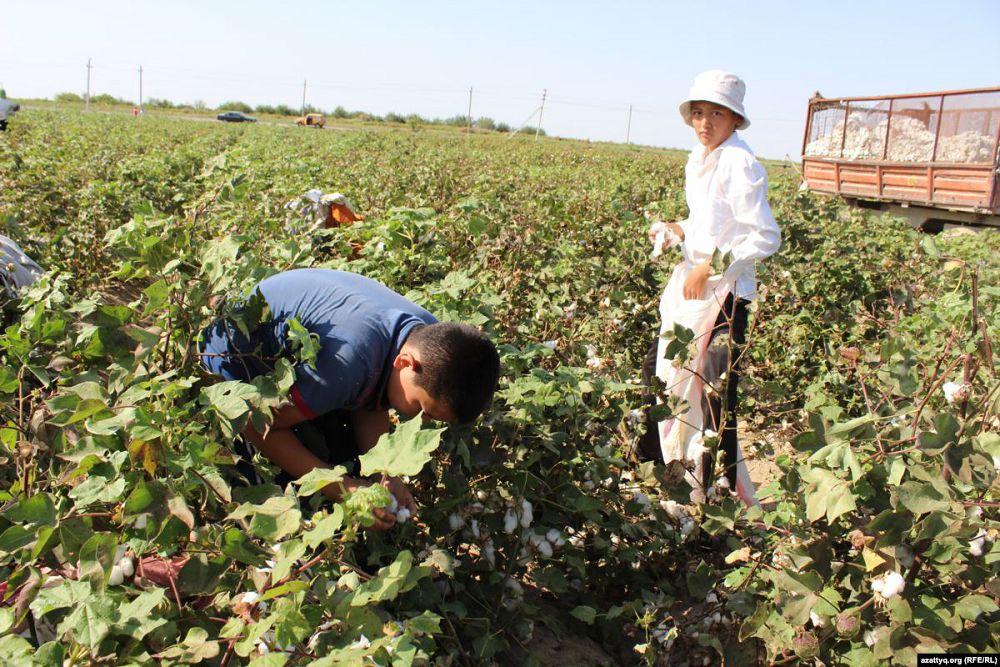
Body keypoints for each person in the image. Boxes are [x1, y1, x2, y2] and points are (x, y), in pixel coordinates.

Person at [198, 268, 501, 529]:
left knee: (345, 452)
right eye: (423, 410)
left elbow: (373, 397)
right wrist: (344, 489)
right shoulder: (349, 362)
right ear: (406, 363)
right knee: (274, 492)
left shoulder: (429, 339)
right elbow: (258, 426)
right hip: (230, 355)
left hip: (320, 352)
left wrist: (386, 475)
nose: (419, 420)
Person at [641, 70, 780, 505]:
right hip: (695, 293)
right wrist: (674, 229)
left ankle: (720, 492)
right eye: (698, 113)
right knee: (662, 376)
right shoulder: (701, 158)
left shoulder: (739, 161)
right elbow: (705, 223)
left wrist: (711, 263)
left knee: (716, 395)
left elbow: (765, 236)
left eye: (716, 114)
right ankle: (666, 470)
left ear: (735, 120)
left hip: (726, 297)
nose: (705, 122)